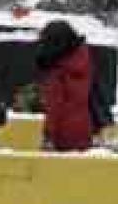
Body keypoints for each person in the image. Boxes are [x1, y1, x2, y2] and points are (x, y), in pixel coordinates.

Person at [36, 20, 94, 152]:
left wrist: (48, 135)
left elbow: (54, 106)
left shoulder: (57, 71)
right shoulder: (84, 62)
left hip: (61, 134)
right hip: (84, 128)